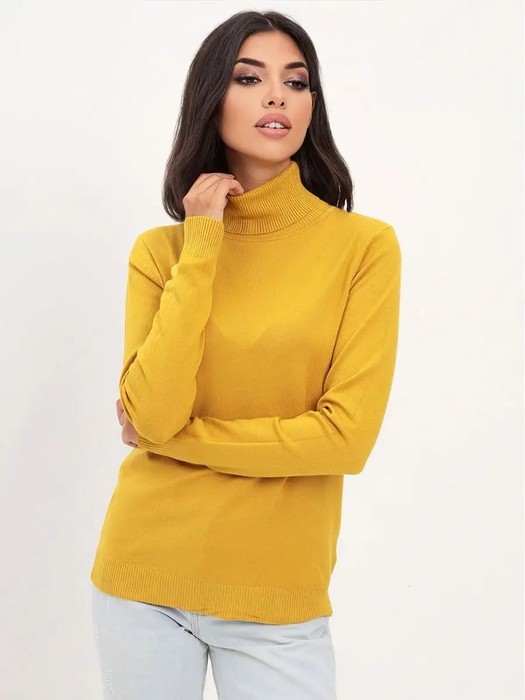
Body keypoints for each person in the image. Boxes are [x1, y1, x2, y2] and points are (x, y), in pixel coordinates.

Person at [90, 9, 402, 700]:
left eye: (296, 81)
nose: (277, 96)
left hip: (277, 598)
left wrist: (177, 439)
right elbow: (154, 409)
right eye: (249, 78)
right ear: (212, 98)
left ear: (312, 104)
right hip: (143, 578)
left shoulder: (362, 248)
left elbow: (344, 439)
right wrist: (203, 241)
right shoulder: (162, 253)